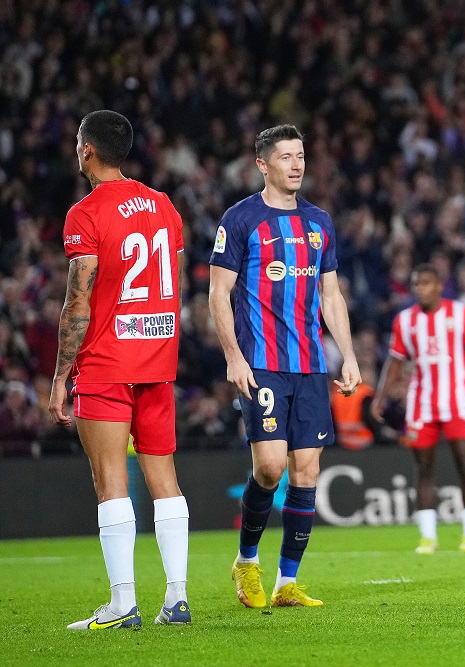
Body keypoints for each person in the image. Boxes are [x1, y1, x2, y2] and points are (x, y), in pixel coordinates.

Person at [209, 124, 360, 609]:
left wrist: (349, 355)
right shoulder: (241, 219)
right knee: (271, 468)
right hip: (261, 363)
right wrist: (233, 356)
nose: (296, 165)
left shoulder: (319, 222)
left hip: (310, 365)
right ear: (262, 165)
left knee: (307, 470)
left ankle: (286, 582)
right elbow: (218, 293)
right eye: (285, 157)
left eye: (300, 156)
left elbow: (330, 295)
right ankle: (246, 560)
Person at [49, 110, 190, 629]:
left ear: (87, 149)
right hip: (157, 359)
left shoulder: (85, 213)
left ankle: (123, 604)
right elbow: (173, 284)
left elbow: (76, 303)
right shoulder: (164, 205)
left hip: (107, 362)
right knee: (165, 479)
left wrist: (61, 376)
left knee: (111, 481)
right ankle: (176, 599)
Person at [371, 264, 465, 554]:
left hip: (458, 402)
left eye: (425, 283)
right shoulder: (405, 320)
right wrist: (380, 397)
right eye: (416, 284)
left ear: (439, 285)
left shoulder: (461, 313)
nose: (419, 289)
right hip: (421, 405)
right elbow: (395, 362)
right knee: (423, 469)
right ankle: (427, 538)